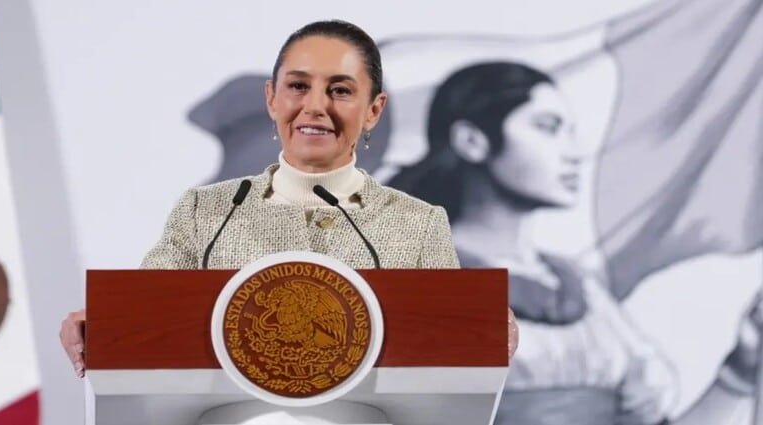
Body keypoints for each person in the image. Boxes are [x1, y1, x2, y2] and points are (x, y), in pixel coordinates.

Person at [59, 20, 519, 380]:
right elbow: (144, 317)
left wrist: (485, 329)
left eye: (340, 90)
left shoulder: (417, 223)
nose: (314, 106)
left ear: (374, 110)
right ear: (272, 99)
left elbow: (448, 345)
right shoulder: (206, 213)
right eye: (298, 86)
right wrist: (99, 324)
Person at [389, 61, 763, 425]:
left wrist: (739, 372)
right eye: (548, 127)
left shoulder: (583, 289)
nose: (575, 152)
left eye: (571, 131)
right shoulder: (427, 279)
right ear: (472, 141)